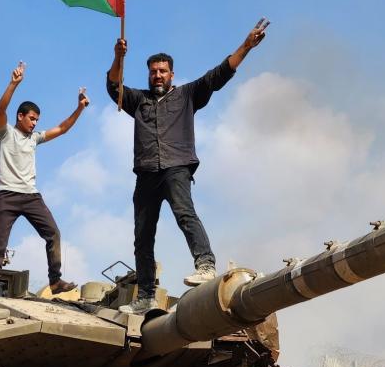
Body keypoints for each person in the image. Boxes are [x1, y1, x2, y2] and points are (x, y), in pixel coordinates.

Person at [106, 21, 269, 315]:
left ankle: (205, 264)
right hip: (145, 172)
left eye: (162, 71)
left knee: (184, 213)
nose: (157, 75)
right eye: (153, 71)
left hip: (176, 166)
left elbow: (218, 76)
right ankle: (144, 296)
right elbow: (113, 87)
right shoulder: (138, 100)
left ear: (171, 74)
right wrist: (118, 57)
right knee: (142, 235)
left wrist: (246, 46)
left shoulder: (186, 95)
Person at [0, 62, 86, 298]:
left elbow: (61, 128)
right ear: (20, 117)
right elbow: (0, 110)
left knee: (53, 233)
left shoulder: (35, 138)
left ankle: (55, 281)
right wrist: (14, 84)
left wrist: (79, 108)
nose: (34, 123)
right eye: (31, 118)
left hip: (31, 196)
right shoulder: (5, 132)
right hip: (6, 195)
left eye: (37, 120)